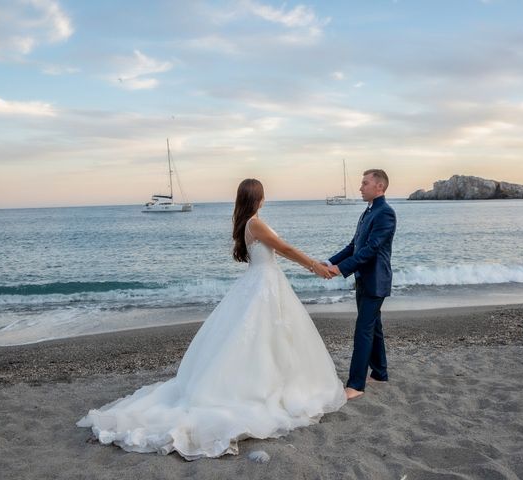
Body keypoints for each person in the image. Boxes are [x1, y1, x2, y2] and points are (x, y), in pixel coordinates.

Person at [77, 178, 346, 460]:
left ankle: (273, 381)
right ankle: (260, 390)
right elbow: (285, 248)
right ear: (259, 198)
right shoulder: (255, 224)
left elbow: (277, 250)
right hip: (264, 284)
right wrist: (314, 266)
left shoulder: (249, 223)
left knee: (265, 339)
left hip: (261, 282)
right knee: (261, 337)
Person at [326, 169, 396, 400]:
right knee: (374, 327)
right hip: (363, 280)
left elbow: (370, 250)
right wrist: (329, 262)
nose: (360, 187)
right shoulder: (367, 213)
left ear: (380, 187)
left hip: (376, 280)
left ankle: (356, 385)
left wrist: (342, 269)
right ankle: (380, 373)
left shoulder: (385, 213)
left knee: (363, 331)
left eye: (365, 183)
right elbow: (353, 246)